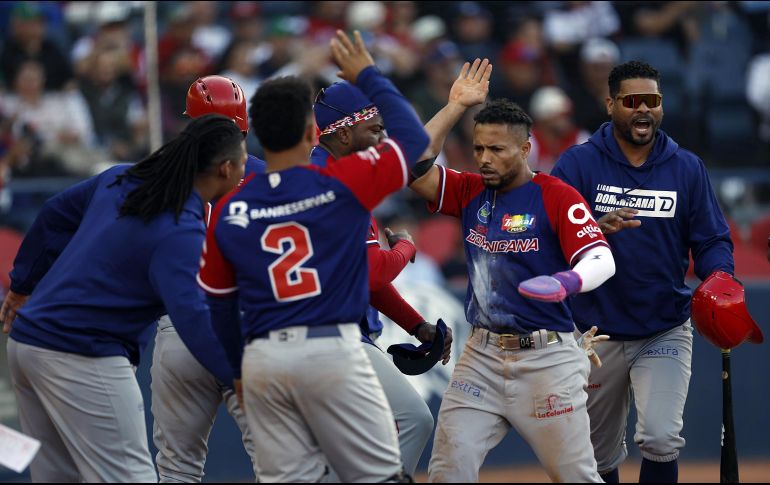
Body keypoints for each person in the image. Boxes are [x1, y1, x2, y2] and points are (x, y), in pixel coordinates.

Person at [197, 30, 429, 482]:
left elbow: (219, 305)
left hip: (263, 357)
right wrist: (368, 74)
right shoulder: (343, 183)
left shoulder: (231, 208)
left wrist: (237, 371)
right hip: (330, 350)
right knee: (379, 474)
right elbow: (413, 137)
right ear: (311, 132)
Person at [0, 114, 248, 482]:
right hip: (81, 354)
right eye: (243, 162)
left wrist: (21, 286)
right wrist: (238, 376)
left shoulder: (121, 177)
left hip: (27, 344)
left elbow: (53, 215)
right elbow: (193, 318)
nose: (246, 169)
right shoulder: (180, 229)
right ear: (226, 168)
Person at [409, 93, 616, 482]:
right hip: (480, 359)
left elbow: (602, 260)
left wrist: (565, 281)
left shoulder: (555, 196)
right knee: (446, 473)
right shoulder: (469, 190)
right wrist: (455, 107)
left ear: (525, 149)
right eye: (478, 148)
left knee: (576, 477)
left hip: (546, 361)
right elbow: (413, 167)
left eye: (497, 149)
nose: (484, 158)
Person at [550, 60, 735, 483]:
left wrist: (720, 279)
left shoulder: (686, 167)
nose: (643, 110)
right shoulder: (578, 165)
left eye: (652, 101)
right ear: (611, 104)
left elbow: (711, 241)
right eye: (632, 101)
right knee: (596, 458)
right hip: (594, 334)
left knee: (661, 437)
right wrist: (595, 227)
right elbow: (549, 234)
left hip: (663, 326)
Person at [311, 74, 462, 475]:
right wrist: (406, 247)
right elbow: (374, 274)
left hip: (309, 338)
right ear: (343, 134)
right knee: (412, 419)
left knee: (327, 455)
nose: (382, 139)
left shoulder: (322, 175)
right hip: (332, 338)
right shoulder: (335, 184)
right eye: (374, 129)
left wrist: (417, 326)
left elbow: (361, 280)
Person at [150, 75, 265, 483]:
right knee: (278, 461)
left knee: (177, 466)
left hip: (178, 326)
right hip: (244, 327)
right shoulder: (268, 178)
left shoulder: (157, 176)